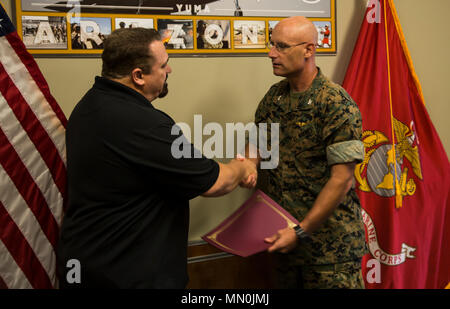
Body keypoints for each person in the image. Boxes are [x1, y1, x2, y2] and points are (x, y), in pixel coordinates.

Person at [57, 28, 257, 289]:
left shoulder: (90, 105)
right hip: (125, 275)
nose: (169, 71)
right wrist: (245, 167)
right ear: (138, 76)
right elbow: (217, 183)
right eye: (163, 65)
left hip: (86, 266)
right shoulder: (142, 124)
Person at [245, 16, 366, 289]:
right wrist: (248, 165)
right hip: (285, 245)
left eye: (282, 46)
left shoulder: (334, 102)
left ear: (309, 50)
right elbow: (256, 144)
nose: (271, 53)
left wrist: (301, 232)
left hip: (330, 252)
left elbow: (342, 180)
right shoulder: (275, 97)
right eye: (272, 44)